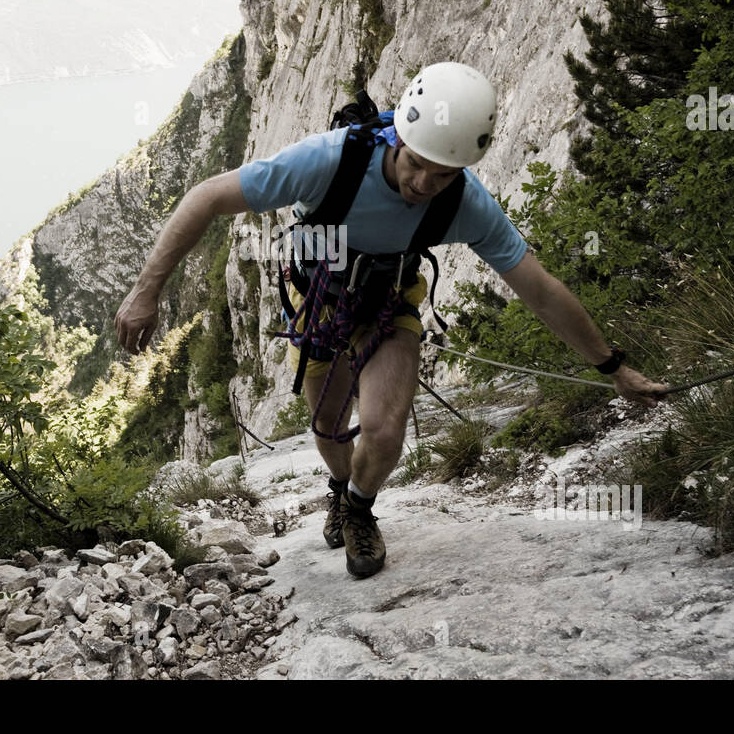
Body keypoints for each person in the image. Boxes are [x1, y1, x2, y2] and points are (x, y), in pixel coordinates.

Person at [115, 62, 668, 579]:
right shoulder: (330, 161)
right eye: (415, 164)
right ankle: (339, 486)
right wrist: (147, 292)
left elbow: (539, 289)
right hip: (319, 300)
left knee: (383, 427)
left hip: (389, 302)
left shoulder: (465, 204)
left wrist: (612, 366)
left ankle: (358, 508)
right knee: (329, 426)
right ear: (396, 139)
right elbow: (208, 196)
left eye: (443, 175)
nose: (424, 185)